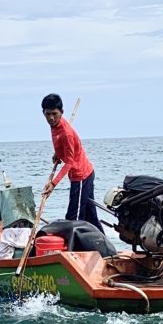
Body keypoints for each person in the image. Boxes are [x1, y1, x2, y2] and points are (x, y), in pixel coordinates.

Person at [41, 93, 104, 233]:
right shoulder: (55, 126)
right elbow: (62, 145)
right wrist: (58, 154)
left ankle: (74, 250)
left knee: (73, 218)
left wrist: (53, 184)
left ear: (61, 112)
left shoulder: (66, 133)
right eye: (47, 114)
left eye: (54, 114)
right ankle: (105, 249)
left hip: (81, 175)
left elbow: (69, 162)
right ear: (43, 113)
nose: (51, 118)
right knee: (90, 217)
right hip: (81, 173)